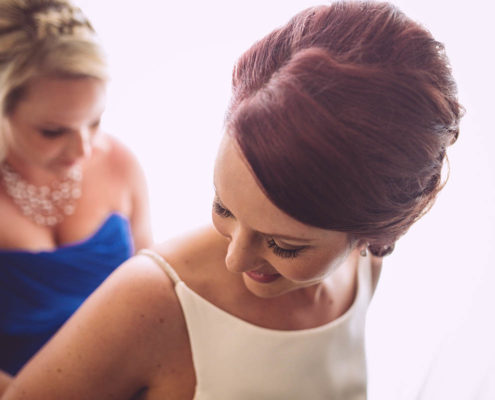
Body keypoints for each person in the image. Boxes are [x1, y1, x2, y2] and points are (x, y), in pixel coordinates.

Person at [0, 1, 461, 398]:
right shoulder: (152, 297)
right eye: (223, 207)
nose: (233, 259)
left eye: (284, 244)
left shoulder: (369, 265)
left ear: (370, 236)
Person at [0, 0, 152, 376]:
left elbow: (155, 292)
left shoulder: (119, 163)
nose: (84, 149)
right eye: (53, 131)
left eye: (95, 121)